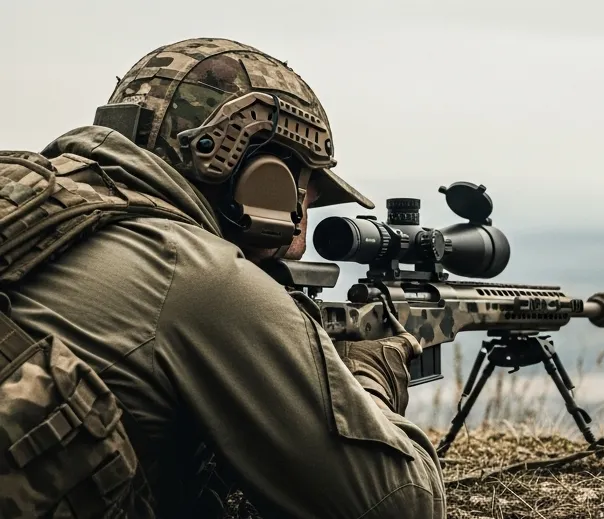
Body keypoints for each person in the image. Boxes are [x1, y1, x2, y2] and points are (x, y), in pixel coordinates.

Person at [0, 38, 445, 518]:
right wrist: (369, 379)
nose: (300, 231)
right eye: (306, 198)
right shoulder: (189, 271)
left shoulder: (35, 208)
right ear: (262, 178)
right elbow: (401, 504)